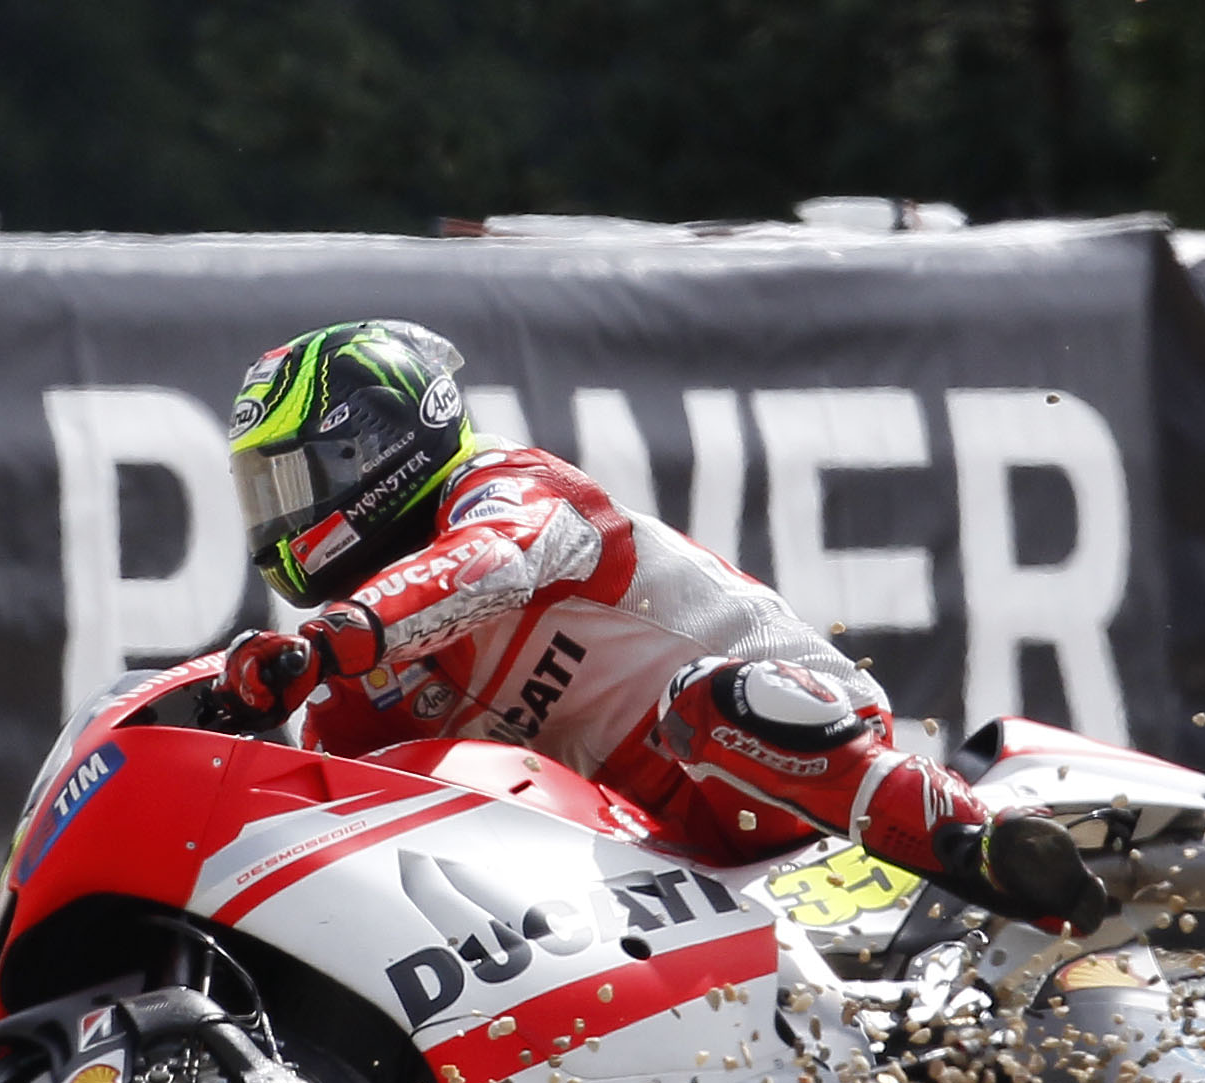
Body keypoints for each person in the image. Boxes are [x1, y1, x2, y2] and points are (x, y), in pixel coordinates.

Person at [211, 319, 1113, 931]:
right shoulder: (366, 668)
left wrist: (330, 638)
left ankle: (977, 845)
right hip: (649, 875)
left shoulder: (505, 487)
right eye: (265, 495)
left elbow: (493, 563)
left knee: (704, 704)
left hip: (787, 753)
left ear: (372, 452)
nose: (281, 520)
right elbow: (342, 797)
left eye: (295, 484)